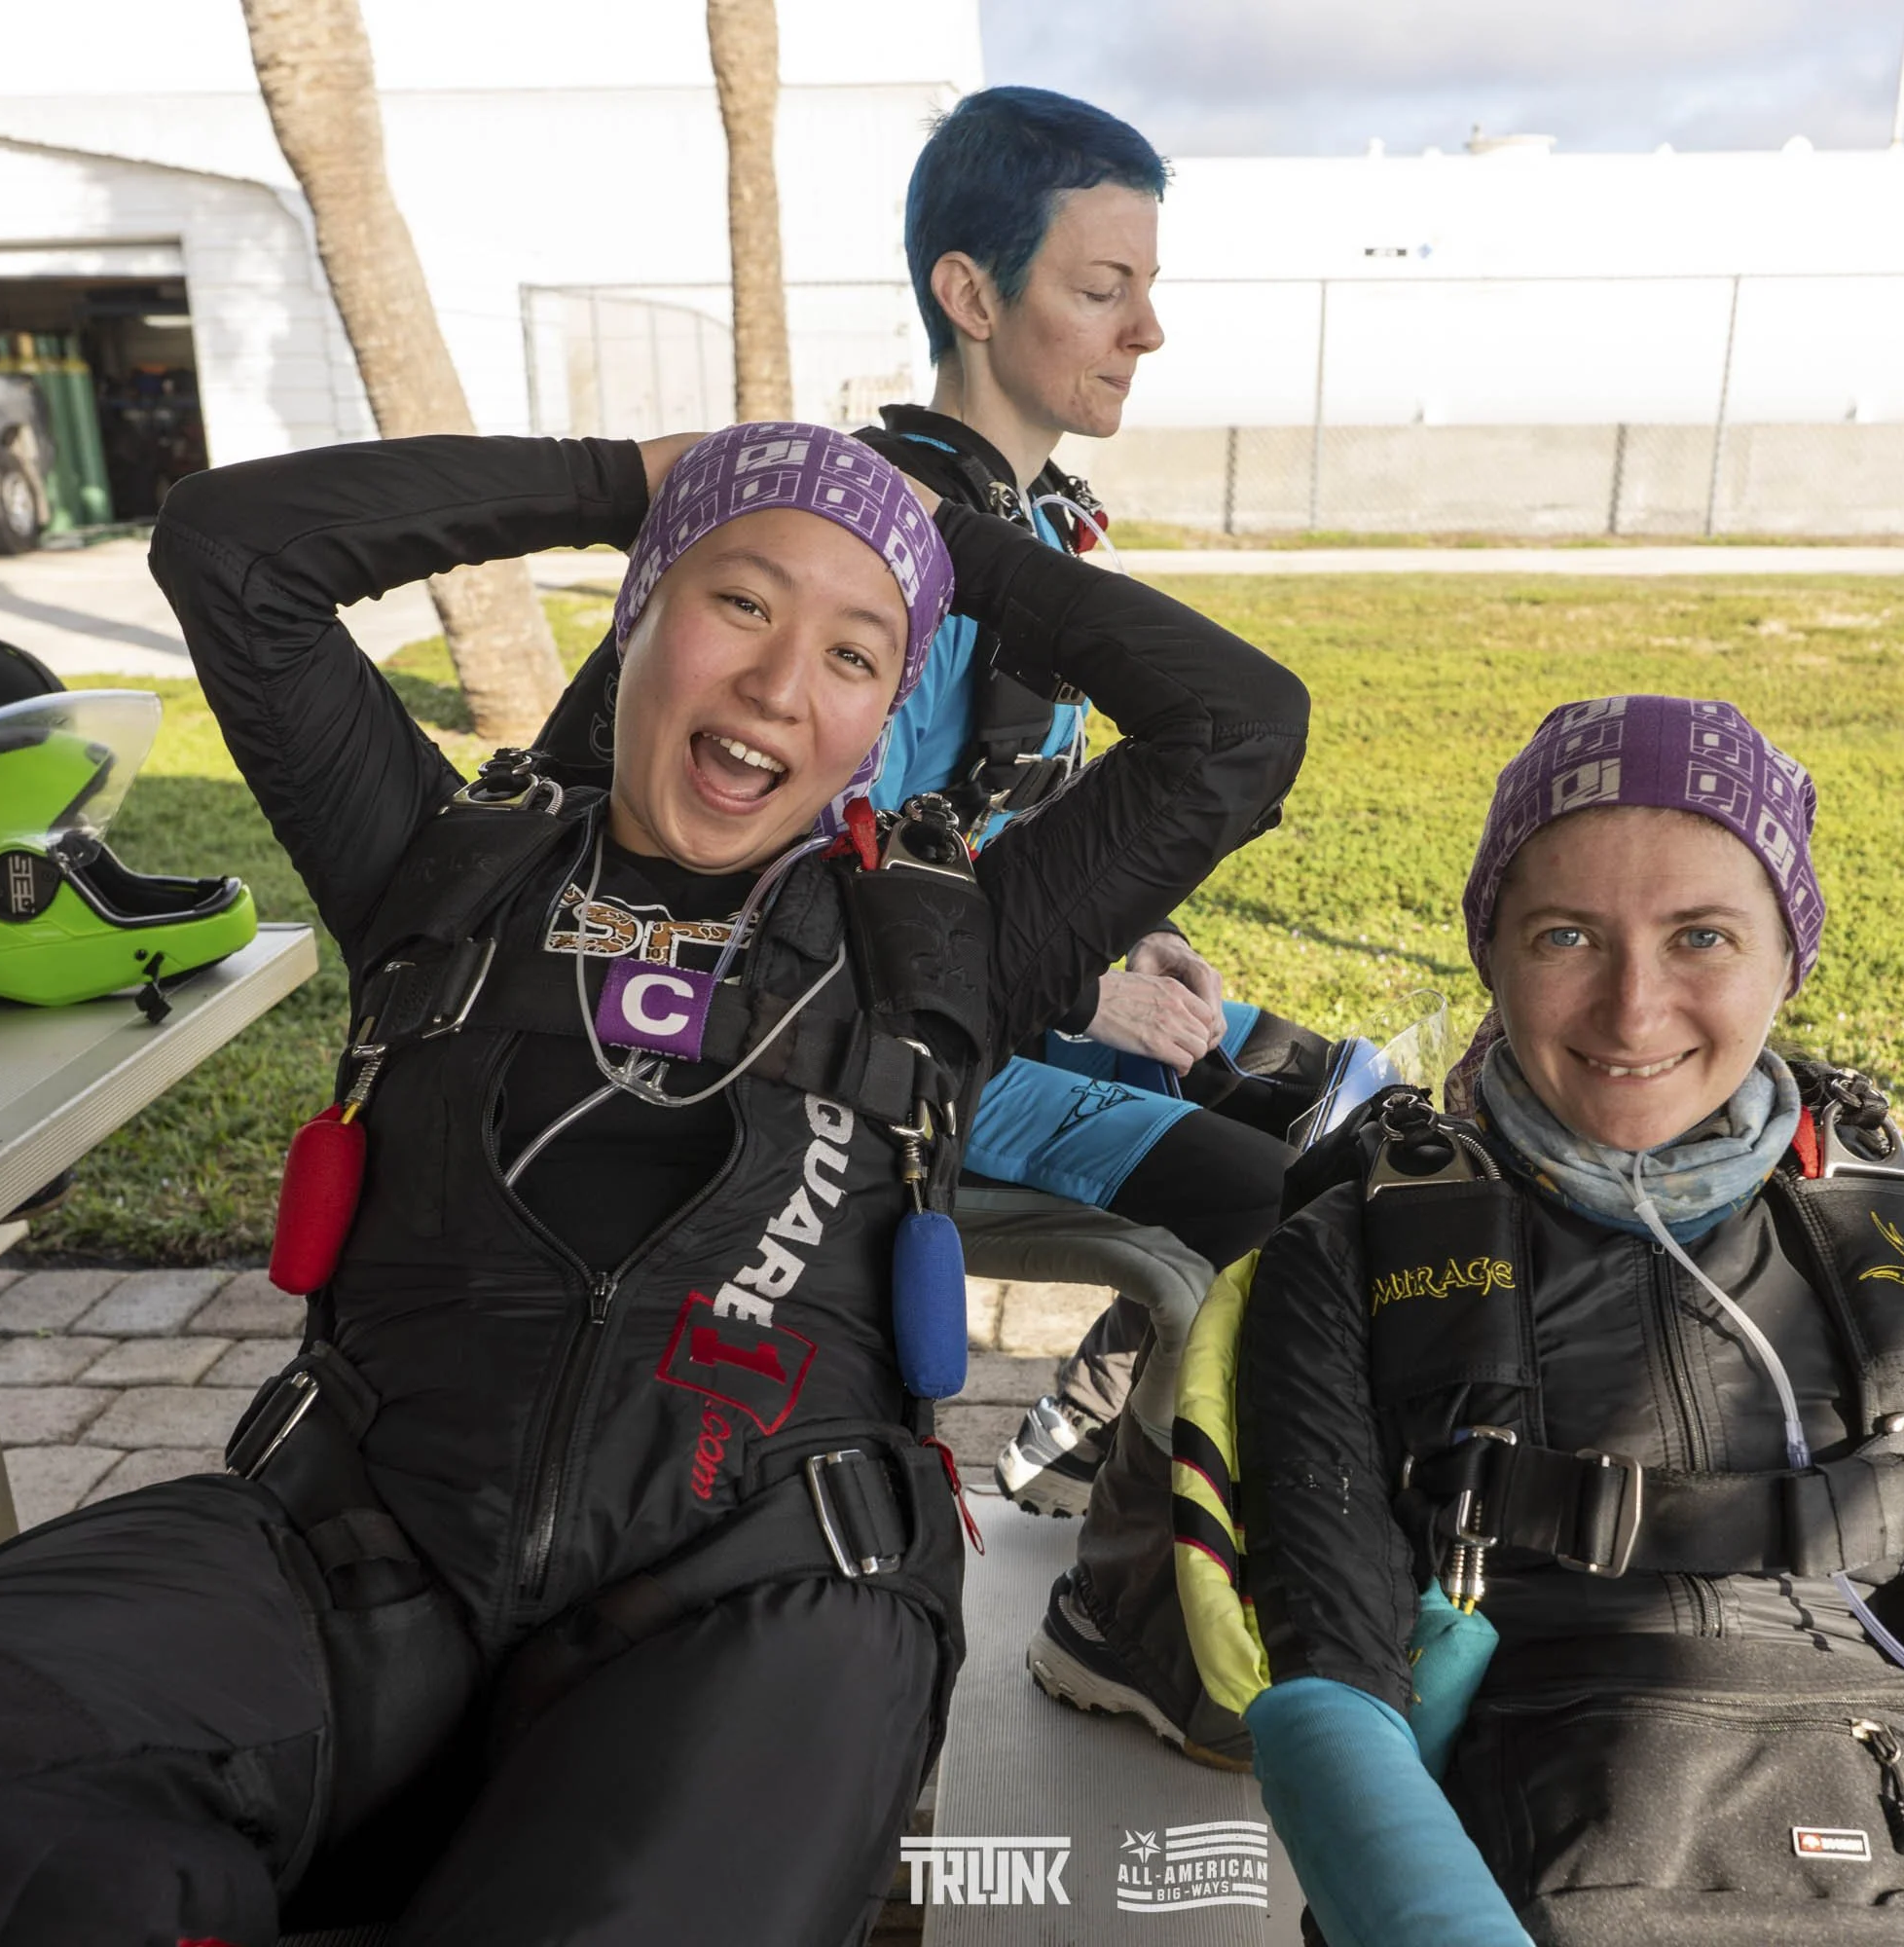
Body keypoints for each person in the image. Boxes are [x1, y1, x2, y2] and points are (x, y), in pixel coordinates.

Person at [0, 422, 1306, 1947]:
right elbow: (234, 551)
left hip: (766, 1576)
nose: (775, 684)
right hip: (354, 1540)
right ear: (637, 616)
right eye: (739, 602)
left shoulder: (950, 946)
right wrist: (624, 477)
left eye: (852, 652)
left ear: (883, 717)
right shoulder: (436, 859)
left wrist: (939, 541)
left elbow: (1239, 724)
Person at [538, 87, 1332, 1768]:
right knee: (1277, 1205)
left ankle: (1086, 1453)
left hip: (989, 1006)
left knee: (1340, 1112)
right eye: (1104, 287)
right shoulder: (886, 545)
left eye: (1147, 285)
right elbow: (791, 882)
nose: (1148, 327)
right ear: (972, 295)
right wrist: (1071, 990)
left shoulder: (1017, 524)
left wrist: (1132, 948)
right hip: (826, 1063)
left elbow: (983, 822)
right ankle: (1129, 1608)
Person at [1214, 695, 1904, 1947]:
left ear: (1789, 957)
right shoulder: (1350, 1260)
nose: (1633, 1011)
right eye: (1566, 934)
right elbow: (1328, 1696)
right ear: (1491, 953)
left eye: (1702, 937)